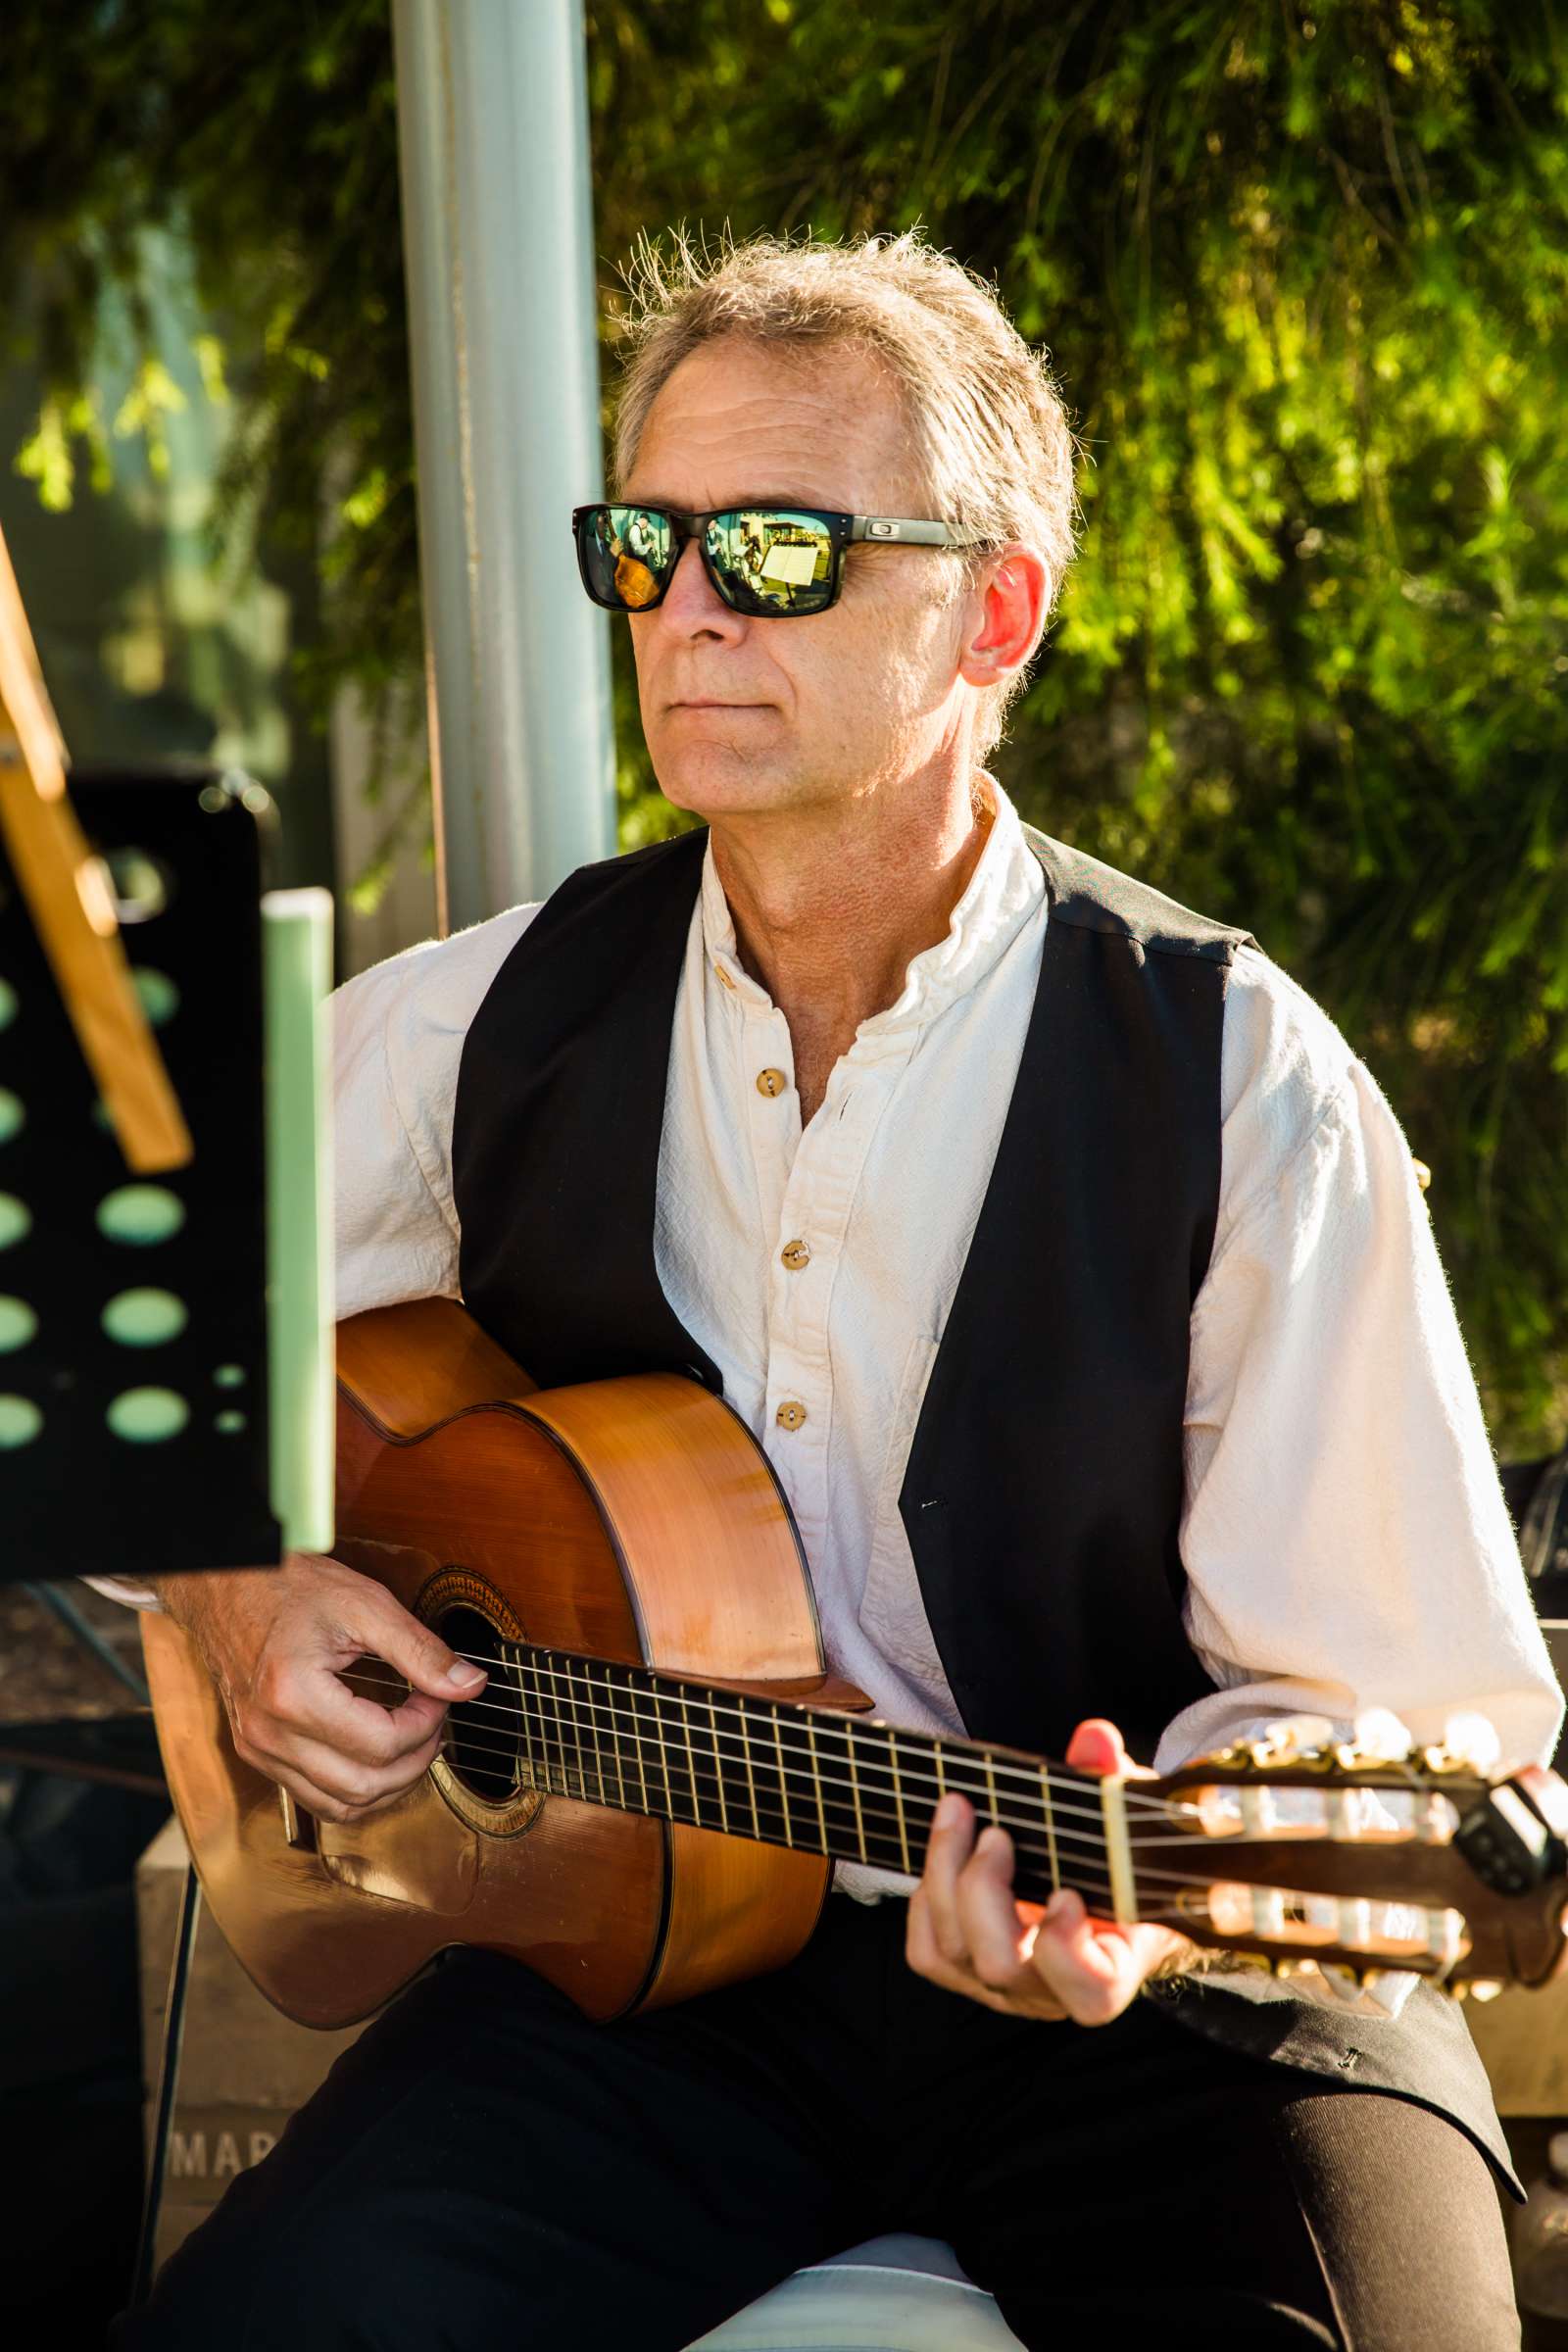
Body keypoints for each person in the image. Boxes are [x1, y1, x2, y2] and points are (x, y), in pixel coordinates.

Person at [110, 232, 1561, 2350]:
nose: (687, 608)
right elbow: (119, 1323)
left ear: (993, 611)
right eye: (646, 545)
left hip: (1175, 2018)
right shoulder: (486, 1019)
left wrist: (1145, 1926)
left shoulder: (1235, 1081)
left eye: (777, 547)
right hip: (654, 1987)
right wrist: (239, 1596)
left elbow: (1384, 1709)